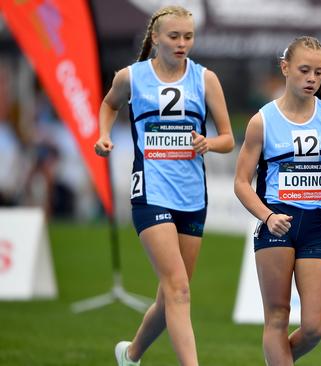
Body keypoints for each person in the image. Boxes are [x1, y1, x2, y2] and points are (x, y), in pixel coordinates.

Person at [93, 5, 234, 366]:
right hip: (150, 191)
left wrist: (208, 143)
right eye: (174, 36)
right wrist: (104, 135)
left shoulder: (205, 79)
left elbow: (228, 138)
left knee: (170, 294)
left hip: (191, 195)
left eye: (188, 36)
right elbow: (109, 105)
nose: (182, 43)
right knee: (179, 288)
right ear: (156, 37)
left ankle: (130, 353)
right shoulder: (132, 77)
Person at [234, 36, 321, 365]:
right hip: (277, 224)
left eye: (318, 72)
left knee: (316, 326)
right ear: (285, 68)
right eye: (304, 70)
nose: (312, 79)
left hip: (316, 226)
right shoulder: (263, 121)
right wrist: (266, 216)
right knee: (277, 317)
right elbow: (241, 183)